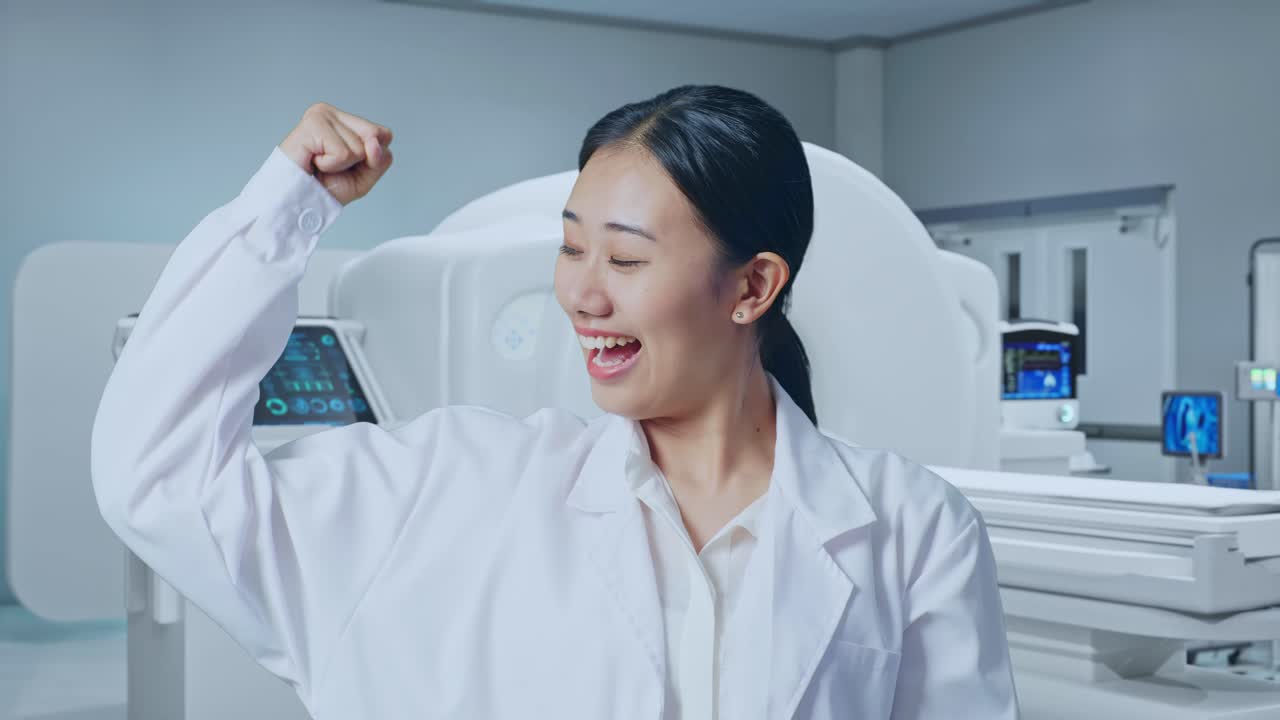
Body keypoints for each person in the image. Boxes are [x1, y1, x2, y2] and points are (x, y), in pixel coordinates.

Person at [92, 87, 1018, 719]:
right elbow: (161, 478)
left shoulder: (913, 529)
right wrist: (283, 209)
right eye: (570, 250)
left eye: (622, 259)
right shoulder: (458, 487)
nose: (580, 294)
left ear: (752, 287)